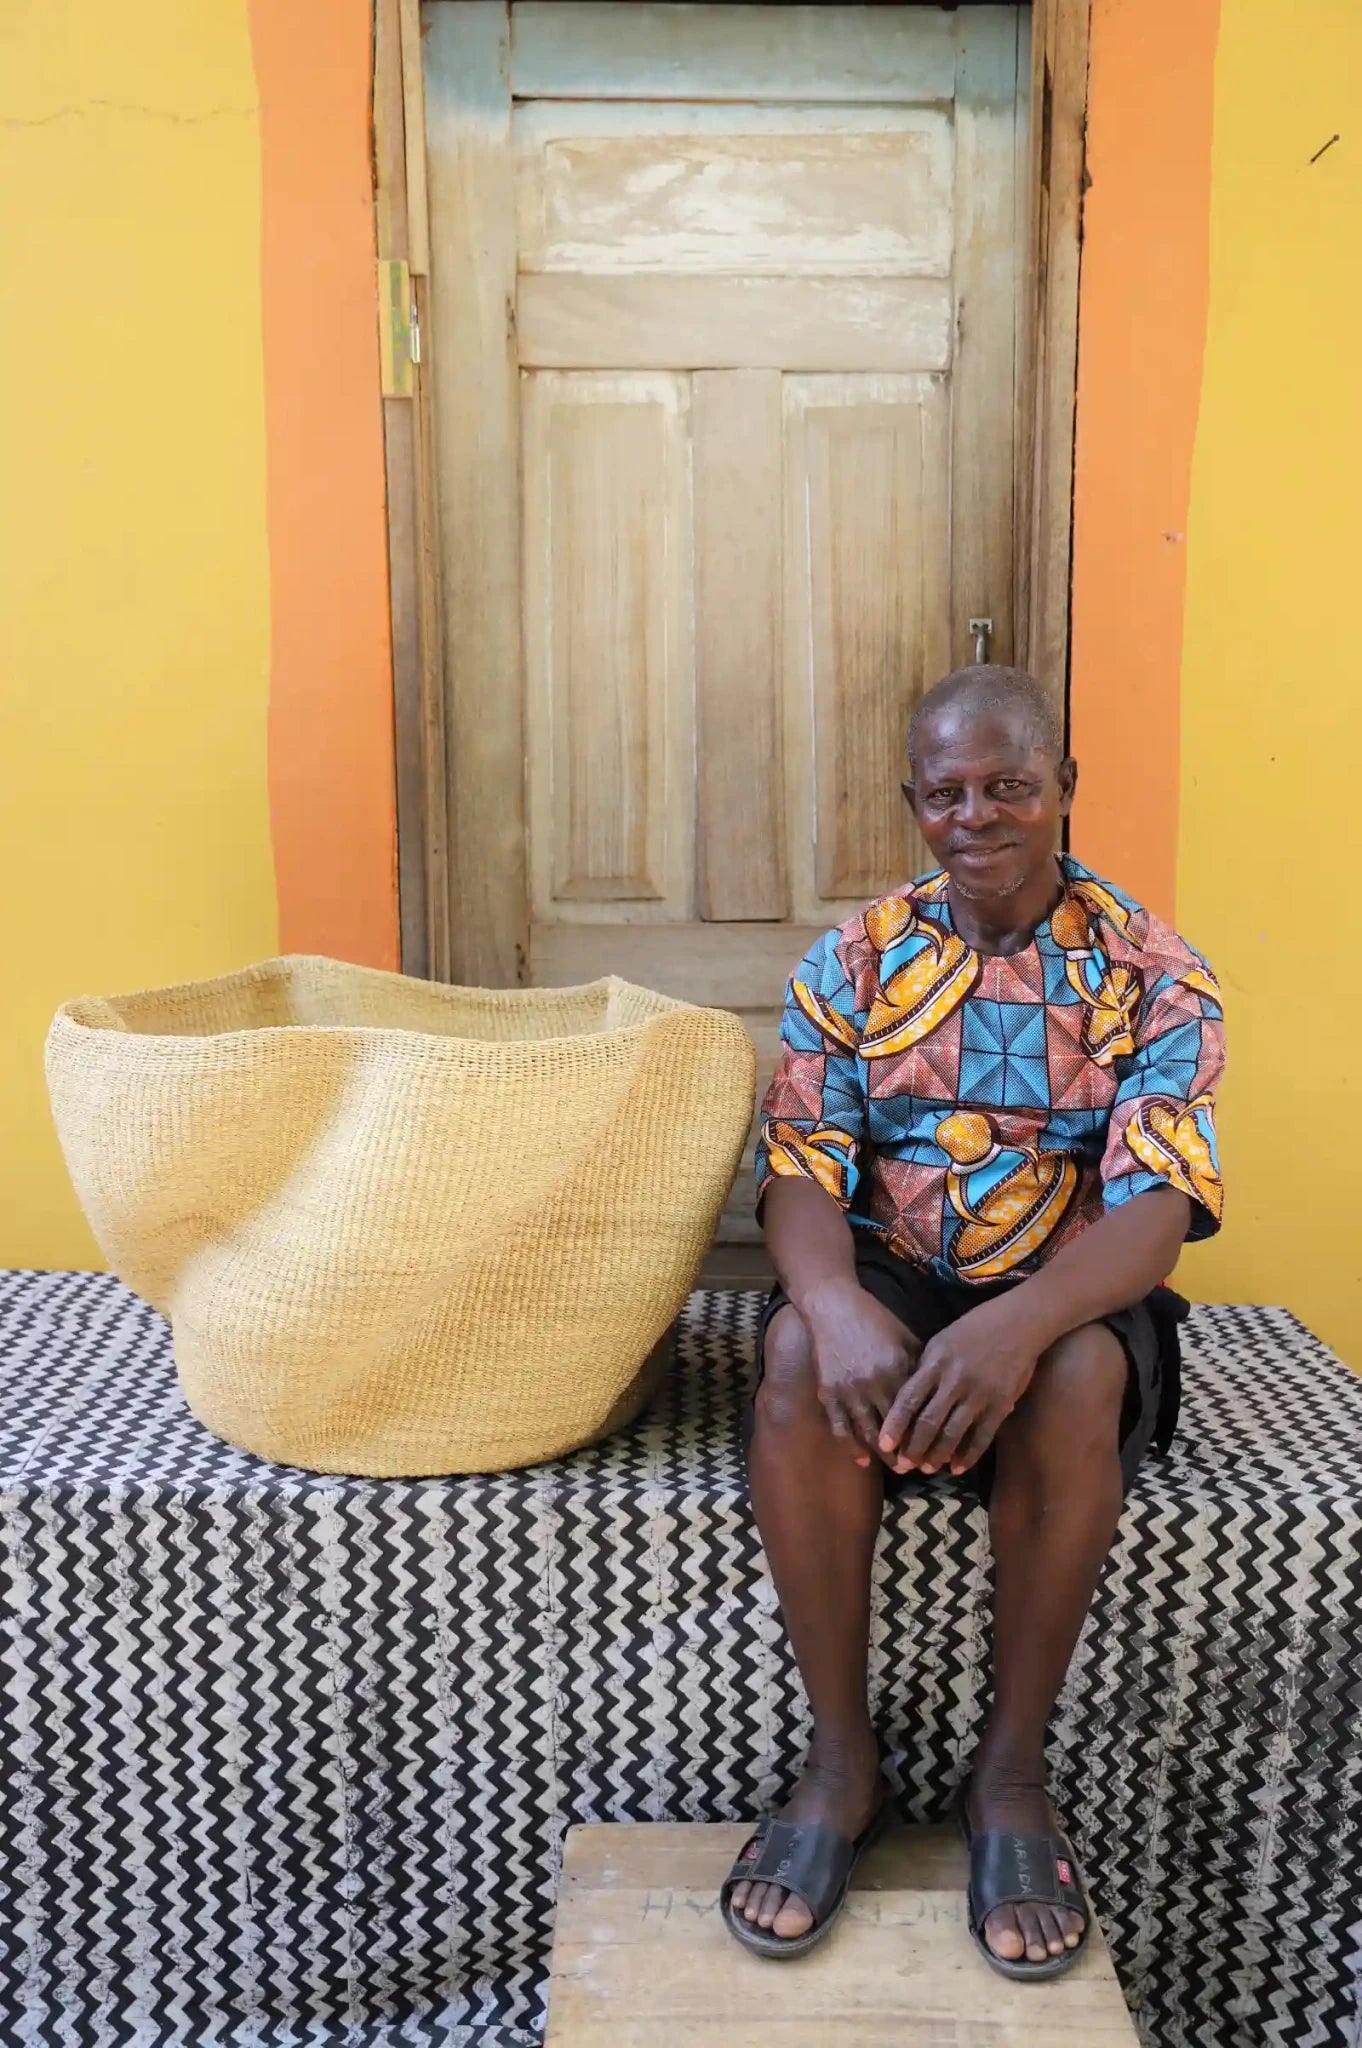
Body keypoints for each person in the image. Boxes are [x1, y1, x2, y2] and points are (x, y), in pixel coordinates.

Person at [719, 665, 1225, 1980]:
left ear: (1064, 786)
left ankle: (1008, 1778)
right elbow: (800, 1166)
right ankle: (841, 1766)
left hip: (1073, 1283)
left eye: (1009, 785)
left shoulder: (1153, 974)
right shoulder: (855, 960)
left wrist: (1014, 1327)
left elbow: (1159, 1205)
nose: (977, 816)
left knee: (1070, 1379)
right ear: (914, 803)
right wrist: (832, 1300)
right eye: (947, 793)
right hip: (896, 1264)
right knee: (793, 1354)